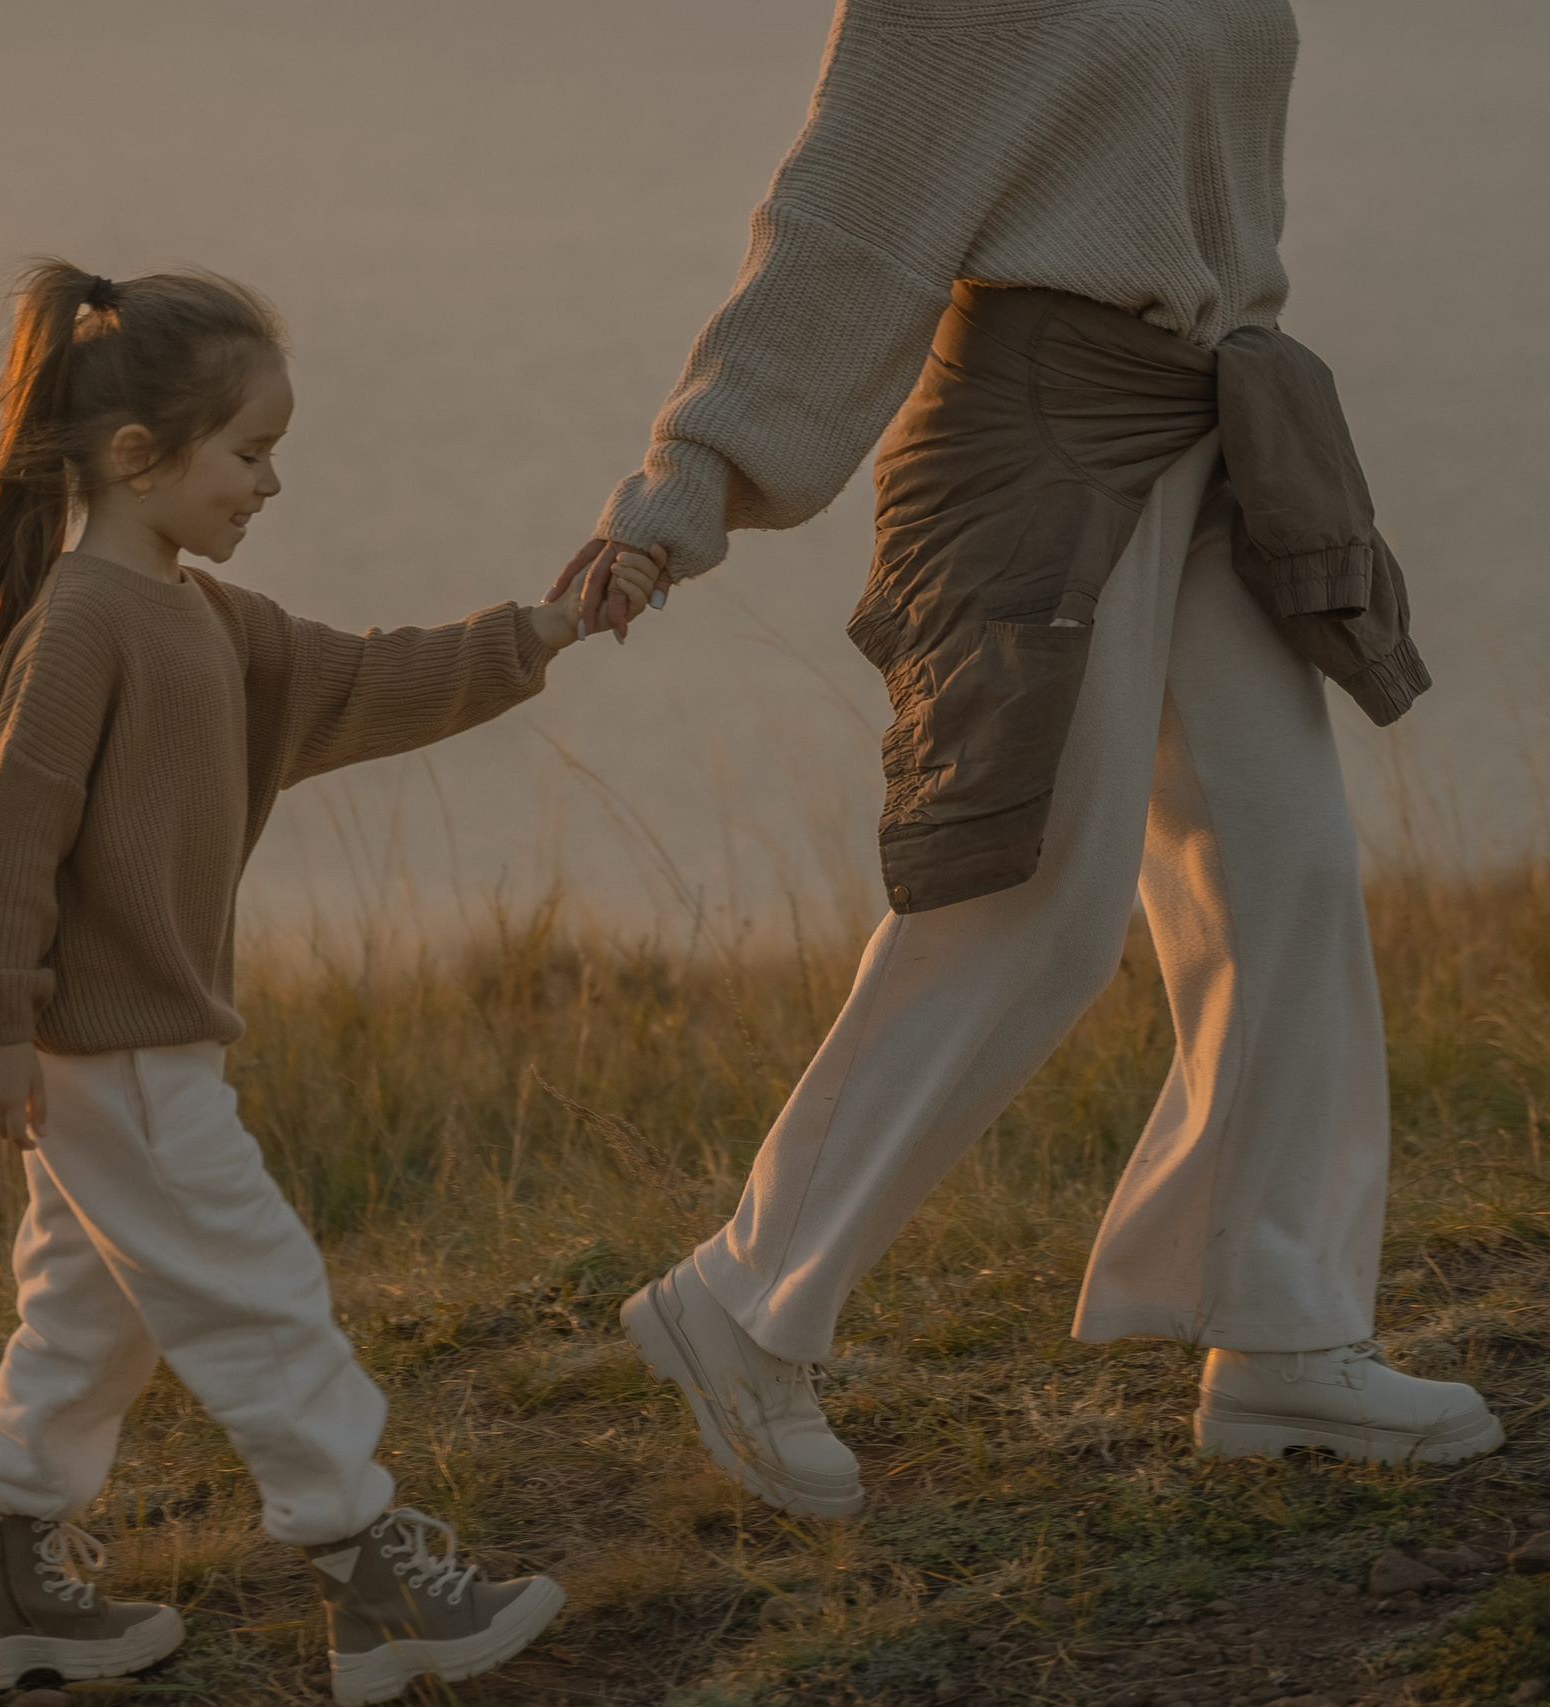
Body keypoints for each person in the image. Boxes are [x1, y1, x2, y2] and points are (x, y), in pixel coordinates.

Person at [550, 0, 1501, 1519]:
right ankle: (739, 1306)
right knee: (1037, 900)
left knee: (1289, 869)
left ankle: (1281, 1331)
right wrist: (686, 488)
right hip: (1040, 428)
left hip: (1217, 419)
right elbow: (847, 220)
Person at [0, 260, 657, 1701]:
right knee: (260, 1298)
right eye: (249, 455)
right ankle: (372, 1577)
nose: (269, 486)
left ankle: (5, 1587)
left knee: (89, 1311)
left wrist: (542, 632)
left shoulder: (208, 621)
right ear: (137, 459)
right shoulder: (82, 629)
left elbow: (371, 680)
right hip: (112, 1053)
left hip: (130, 1055)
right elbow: (12, 836)